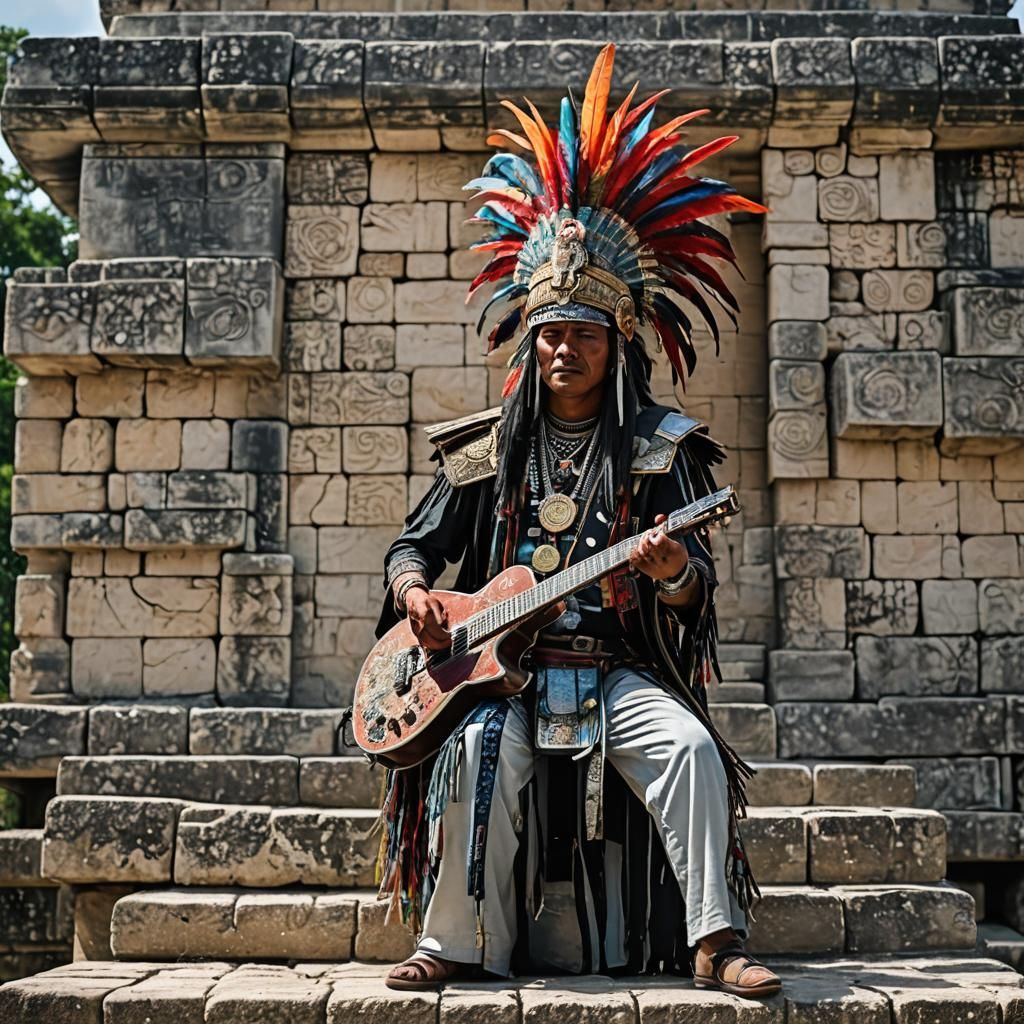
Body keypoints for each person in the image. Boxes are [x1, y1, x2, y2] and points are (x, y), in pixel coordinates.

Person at [371, 43, 781, 998]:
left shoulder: (662, 451)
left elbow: (697, 597)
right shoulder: (486, 453)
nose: (563, 347)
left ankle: (714, 939)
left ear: (617, 342)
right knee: (473, 748)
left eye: (583, 332)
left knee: (685, 746)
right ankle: (456, 944)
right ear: (532, 341)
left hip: (616, 668)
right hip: (496, 678)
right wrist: (418, 594)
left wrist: (672, 569)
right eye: (549, 330)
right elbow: (413, 545)